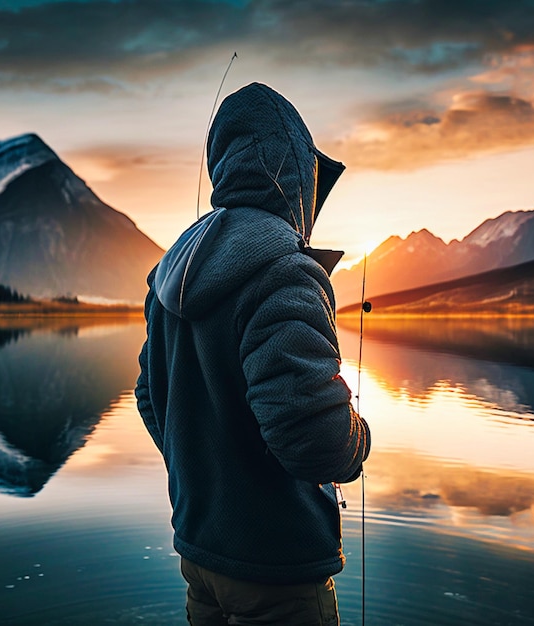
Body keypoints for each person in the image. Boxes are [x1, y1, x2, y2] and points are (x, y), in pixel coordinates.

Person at [135, 82, 371, 626]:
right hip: (277, 569)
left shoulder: (171, 271)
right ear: (294, 171)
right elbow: (312, 435)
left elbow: (151, 396)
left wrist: (200, 470)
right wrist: (356, 442)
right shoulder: (285, 270)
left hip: (199, 555)